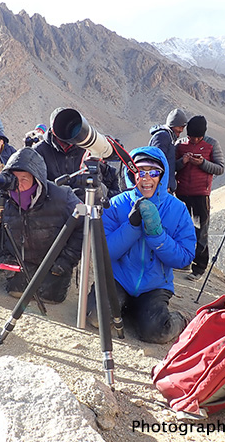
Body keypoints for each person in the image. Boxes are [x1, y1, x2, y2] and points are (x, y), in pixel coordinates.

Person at [87, 146, 196, 344]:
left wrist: (157, 236)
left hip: (154, 285)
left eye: (153, 172)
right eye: (140, 172)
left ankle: (182, 318)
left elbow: (185, 257)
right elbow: (104, 252)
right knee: (97, 318)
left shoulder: (177, 209)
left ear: (162, 176)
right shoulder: (116, 204)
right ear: (131, 174)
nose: (146, 178)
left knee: (156, 332)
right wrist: (132, 227)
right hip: (118, 278)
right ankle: (128, 308)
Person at [0, 147, 83, 304]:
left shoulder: (63, 197)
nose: (18, 184)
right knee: (16, 292)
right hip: (20, 261)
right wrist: (3, 255)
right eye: (13, 178)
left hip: (54, 264)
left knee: (50, 298)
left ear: (37, 178)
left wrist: (66, 261)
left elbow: (82, 227)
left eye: (24, 179)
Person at [175, 115, 225, 281]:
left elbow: (220, 168)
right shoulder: (180, 144)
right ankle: (184, 261)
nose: (195, 140)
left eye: (198, 137)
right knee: (182, 228)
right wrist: (183, 161)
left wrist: (202, 163)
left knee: (201, 231)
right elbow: (172, 166)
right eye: (191, 137)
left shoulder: (212, 144)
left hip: (201, 195)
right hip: (181, 193)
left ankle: (199, 267)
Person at [33, 107, 120, 200]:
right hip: (54, 209)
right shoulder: (39, 151)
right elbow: (35, 186)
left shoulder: (88, 147)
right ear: (53, 130)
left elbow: (111, 180)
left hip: (86, 204)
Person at [148, 107, 188, 194]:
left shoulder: (168, 137)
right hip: (162, 188)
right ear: (173, 126)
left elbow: (169, 163)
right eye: (178, 131)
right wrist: (164, 185)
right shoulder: (163, 136)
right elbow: (157, 162)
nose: (178, 135)